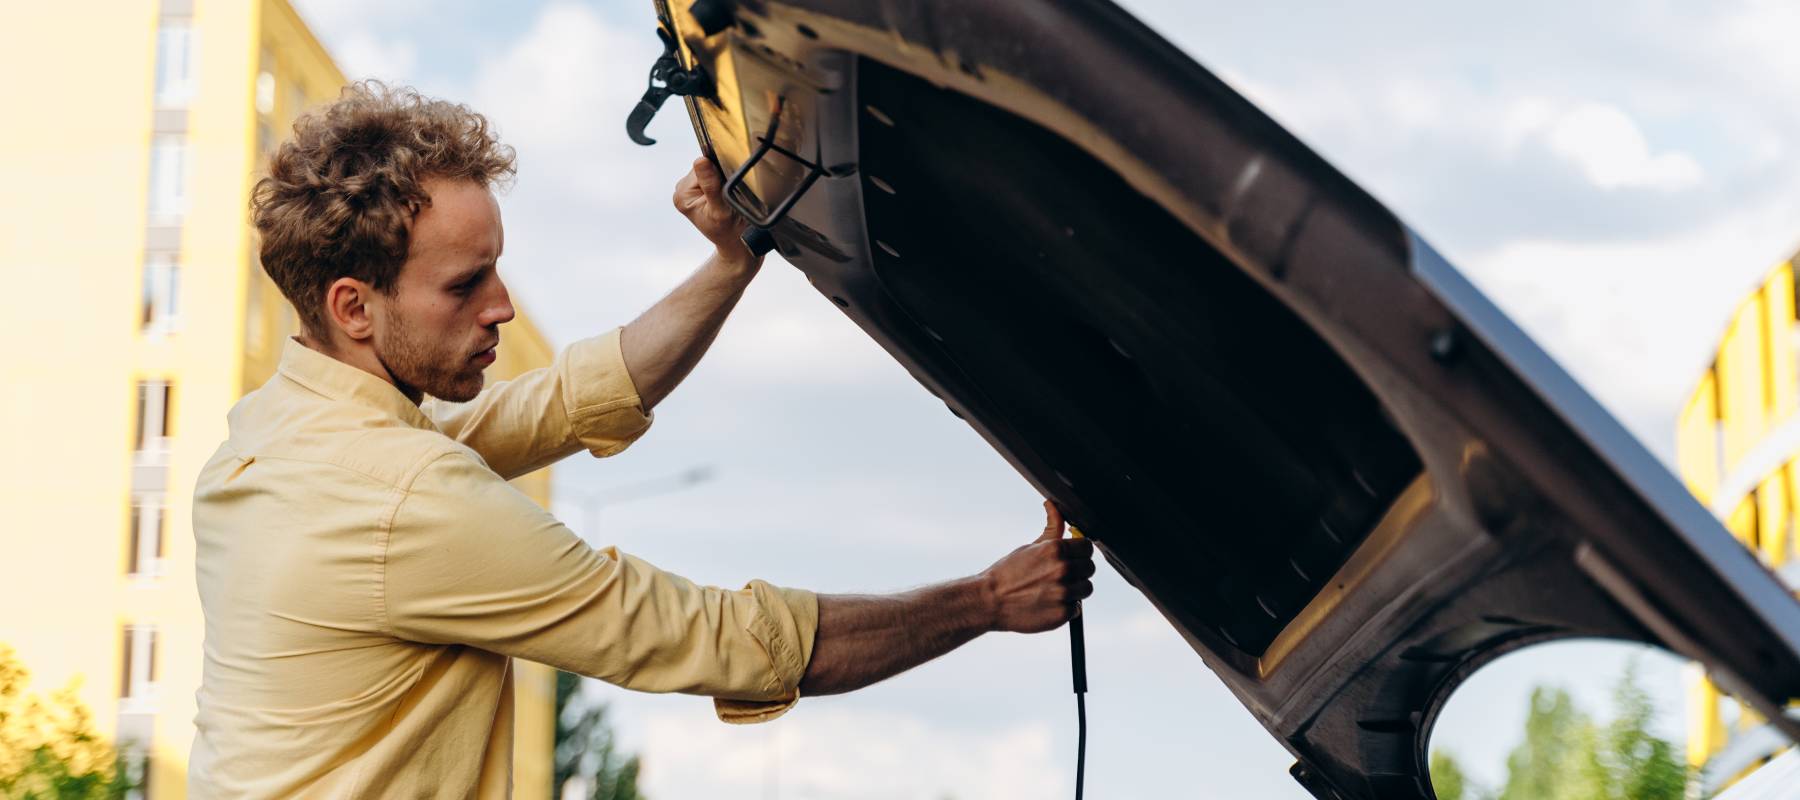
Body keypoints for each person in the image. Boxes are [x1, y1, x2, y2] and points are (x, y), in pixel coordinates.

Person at [188, 81, 1095, 797]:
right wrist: (985, 601)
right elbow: (728, 641)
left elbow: (566, 403)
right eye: (465, 286)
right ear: (354, 306)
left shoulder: (269, 442)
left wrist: (731, 263)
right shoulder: (406, 501)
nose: (501, 305)